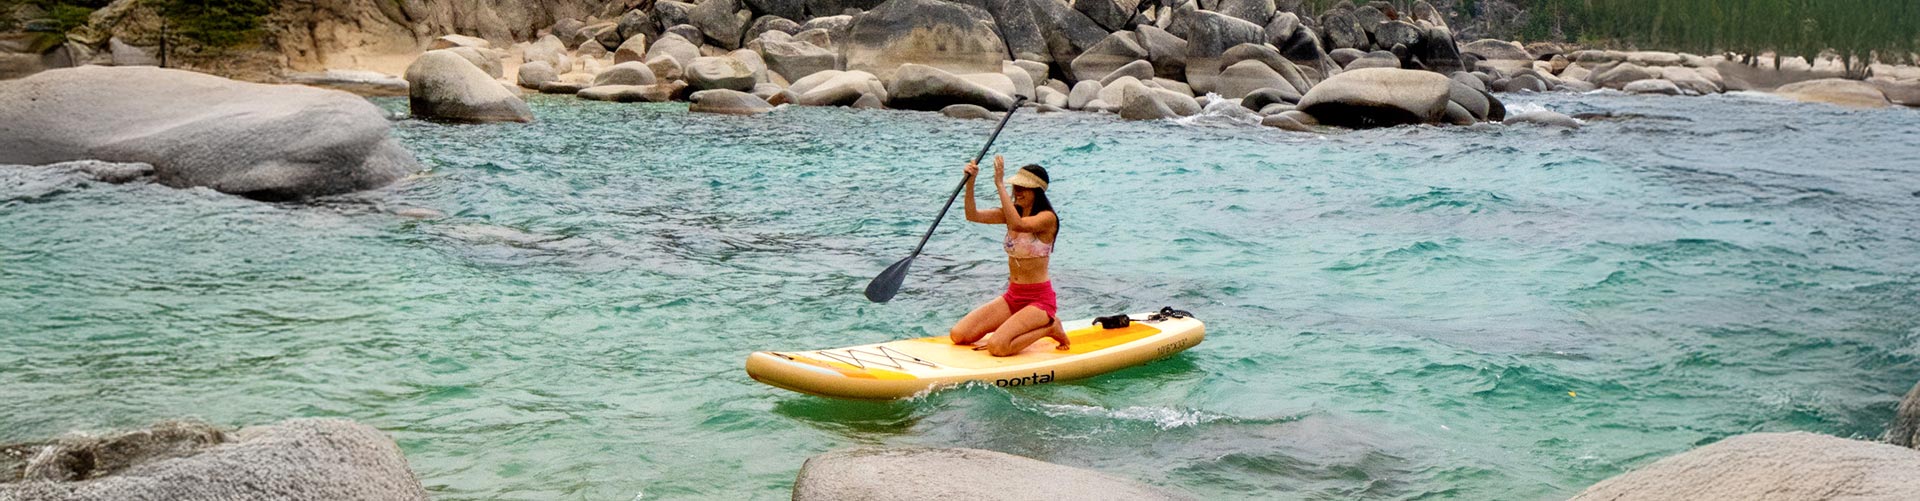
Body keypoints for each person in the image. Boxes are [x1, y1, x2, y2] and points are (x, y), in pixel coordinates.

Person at [948, 155, 1069, 356]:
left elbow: (1018, 225)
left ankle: (1050, 327)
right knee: (958, 334)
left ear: (1037, 191)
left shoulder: (1047, 218)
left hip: (1039, 301)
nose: (1017, 192)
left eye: (1023, 188)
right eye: (1015, 187)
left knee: (997, 346)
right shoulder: (1012, 213)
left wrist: (999, 184)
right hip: (1013, 295)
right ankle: (1017, 324)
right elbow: (972, 215)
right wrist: (971, 182)